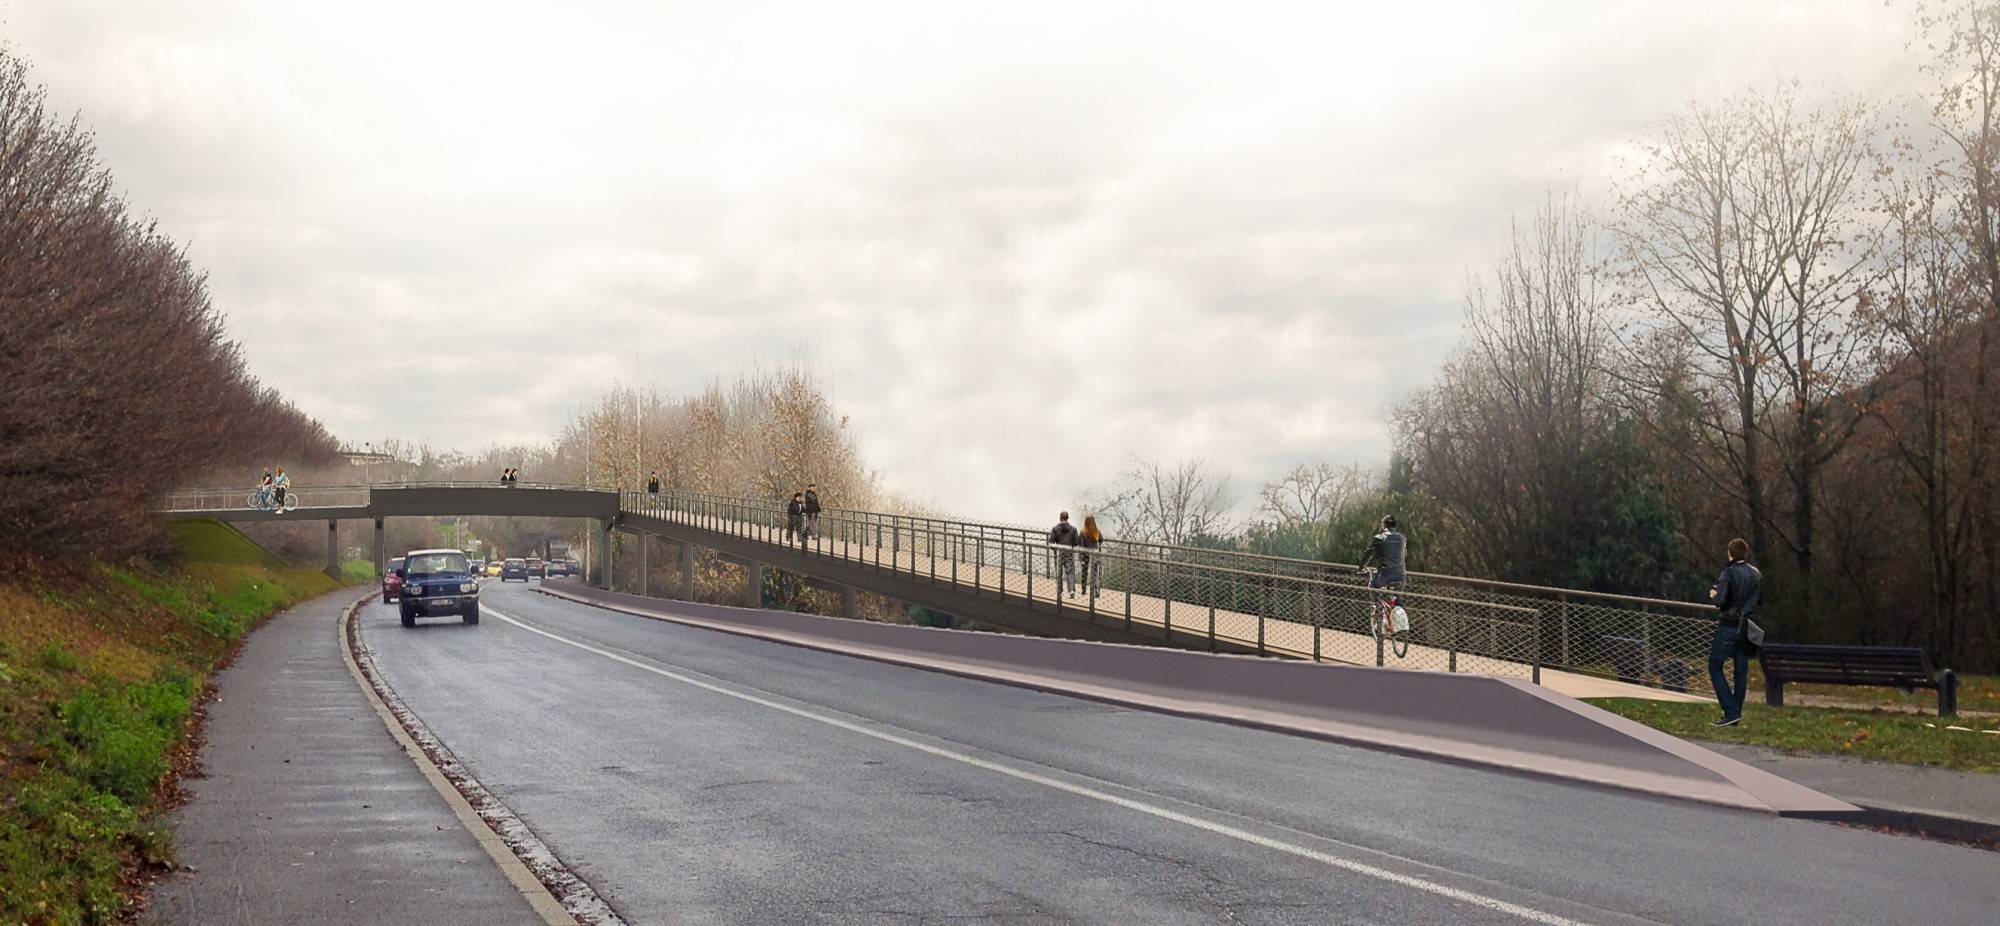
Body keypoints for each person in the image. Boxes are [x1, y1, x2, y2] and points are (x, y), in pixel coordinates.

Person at [1707, 537, 1762, 727]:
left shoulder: (1728, 573)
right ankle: (1735, 714)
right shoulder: (1756, 574)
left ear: (1730, 553)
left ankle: (1730, 711)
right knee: (1741, 671)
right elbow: (1758, 599)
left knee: (1715, 665)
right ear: (1745, 553)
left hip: (1728, 625)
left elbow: (1720, 600)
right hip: (1747, 626)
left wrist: (1714, 593)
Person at [1047, 511, 1081, 598]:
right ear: (1068, 518)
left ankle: (1059, 591)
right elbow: (1077, 542)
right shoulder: (1073, 529)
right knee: (1070, 572)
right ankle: (1071, 590)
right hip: (1069, 552)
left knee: (1059, 572)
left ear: (1060, 518)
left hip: (1060, 552)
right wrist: (1071, 544)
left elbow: (1050, 542)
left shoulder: (1055, 529)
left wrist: (1056, 548)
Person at [1078, 514, 1103, 600]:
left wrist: (1080, 558)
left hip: (1086, 554)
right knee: (1095, 573)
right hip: (1095, 554)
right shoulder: (1097, 531)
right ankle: (1097, 590)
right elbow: (1101, 540)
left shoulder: (1083, 532)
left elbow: (1081, 545)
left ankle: (1084, 590)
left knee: (1084, 571)